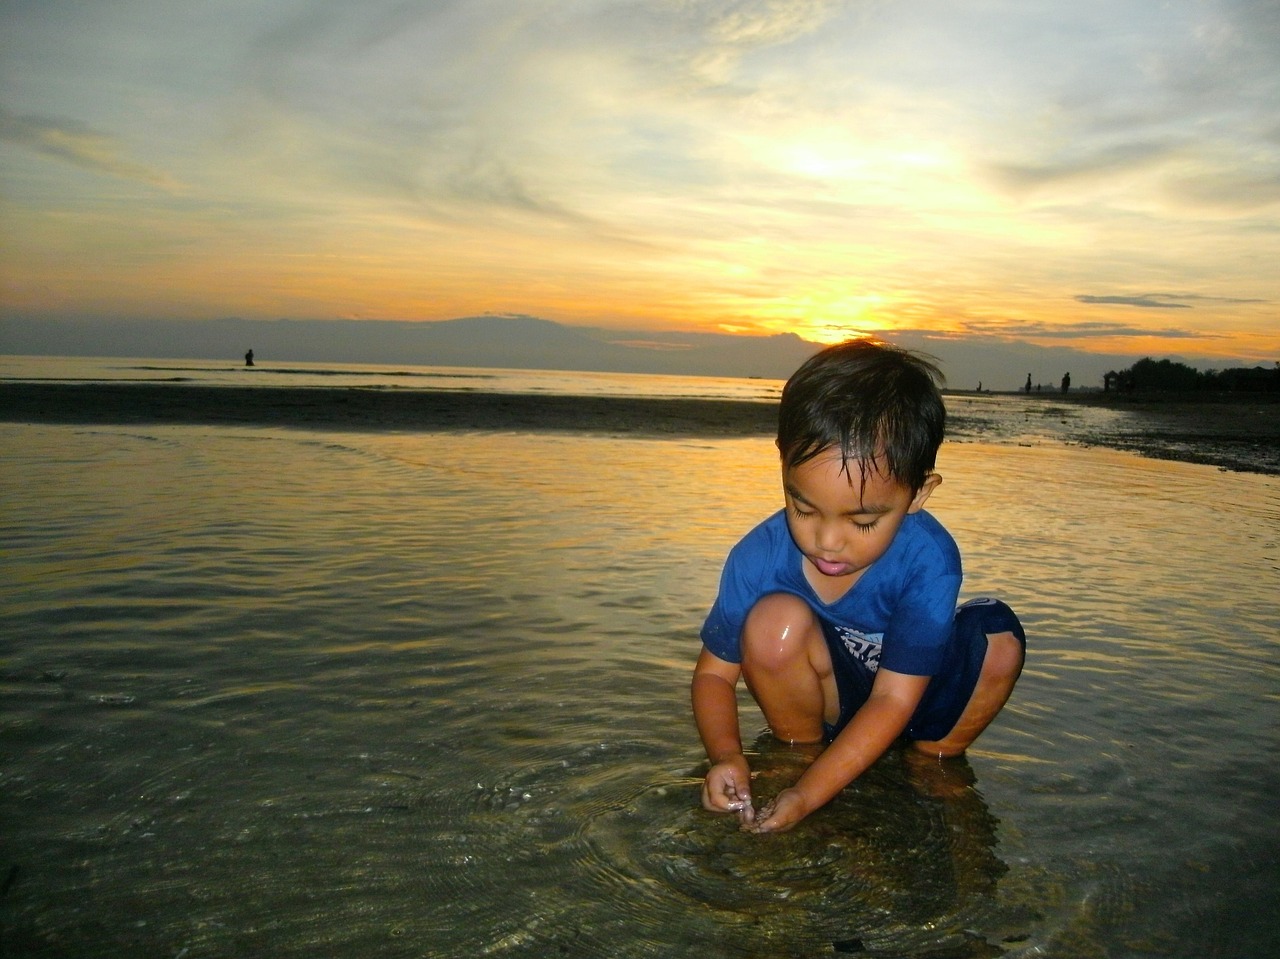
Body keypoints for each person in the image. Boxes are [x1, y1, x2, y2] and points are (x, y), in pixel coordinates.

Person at [691, 339, 1026, 833]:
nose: (826, 542)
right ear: (782, 464)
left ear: (918, 494)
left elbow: (893, 699)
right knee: (772, 622)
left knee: (996, 639)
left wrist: (807, 799)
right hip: (836, 700)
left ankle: (934, 765)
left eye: (863, 522)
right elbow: (714, 677)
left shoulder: (927, 559)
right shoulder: (757, 555)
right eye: (803, 509)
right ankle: (798, 753)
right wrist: (726, 756)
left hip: (913, 698)